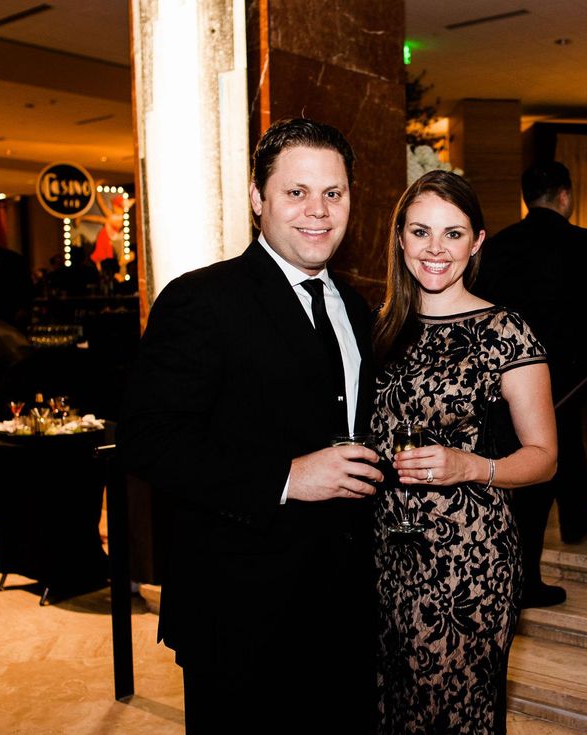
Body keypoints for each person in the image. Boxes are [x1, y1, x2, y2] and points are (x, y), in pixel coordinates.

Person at [119, 118, 383, 733]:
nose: (318, 211)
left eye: (334, 194)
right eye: (297, 192)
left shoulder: (357, 306)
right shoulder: (202, 300)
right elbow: (147, 439)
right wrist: (285, 477)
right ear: (257, 198)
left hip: (344, 609)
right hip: (239, 613)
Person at [372, 170, 558, 734]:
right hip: (380, 555)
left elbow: (544, 454)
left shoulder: (504, 329)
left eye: (453, 234)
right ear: (400, 237)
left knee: (453, 715)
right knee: (391, 711)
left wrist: (473, 465)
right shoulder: (376, 329)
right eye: (421, 231)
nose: (435, 249)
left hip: (468, 559)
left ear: (477, 243)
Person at [475, 161, 587, 608]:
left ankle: (573, 518)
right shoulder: (582, 243)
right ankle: (524, 578)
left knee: (556, 447)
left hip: (503, 374)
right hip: (564, 375)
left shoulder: (500, 245)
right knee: (540, 465)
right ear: (565, 196)